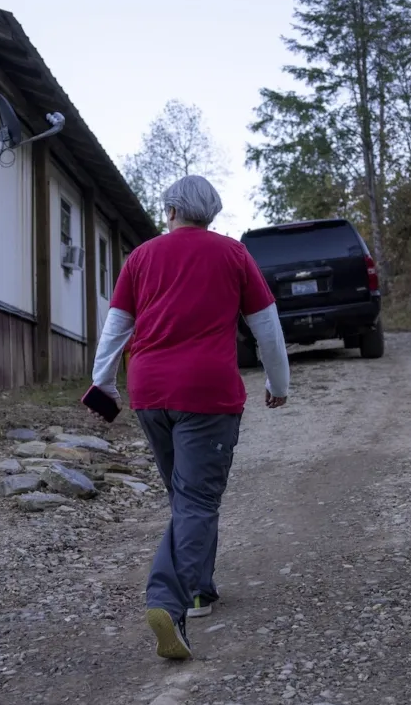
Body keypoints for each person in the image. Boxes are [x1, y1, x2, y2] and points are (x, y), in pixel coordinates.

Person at [90, 175, 290, 660]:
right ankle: (168, 600)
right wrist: (277, 385)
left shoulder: (141, 257)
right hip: (206, 394)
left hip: (151, 392)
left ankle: (200, 587)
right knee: (196, 500)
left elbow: (116, 327)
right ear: (210, 213)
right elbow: (266, 326)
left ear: (171, 210)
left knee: (186, 495)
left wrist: (104, 385)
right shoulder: (233, 255)